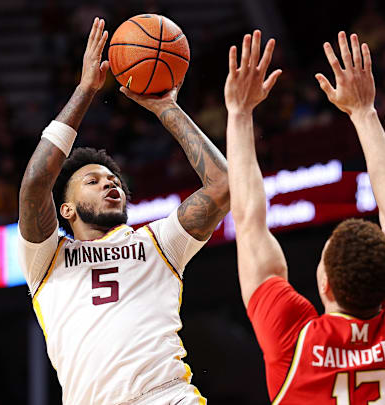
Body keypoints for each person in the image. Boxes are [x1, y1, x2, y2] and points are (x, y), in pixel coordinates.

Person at [18, 18, 228, 404]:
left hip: (167, 396)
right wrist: (85, 91)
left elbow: (223, 186)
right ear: (65, 209)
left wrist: (167, 108)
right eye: (93, 181)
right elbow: (35, 184)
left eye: (113, 179)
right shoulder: (45, 260)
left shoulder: (159, 242)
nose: (110, 183)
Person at [225, 30, 385, 404]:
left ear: (324, 285)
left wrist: (239, 112)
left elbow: (247, 222)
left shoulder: (293, 341)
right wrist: (365, 111)